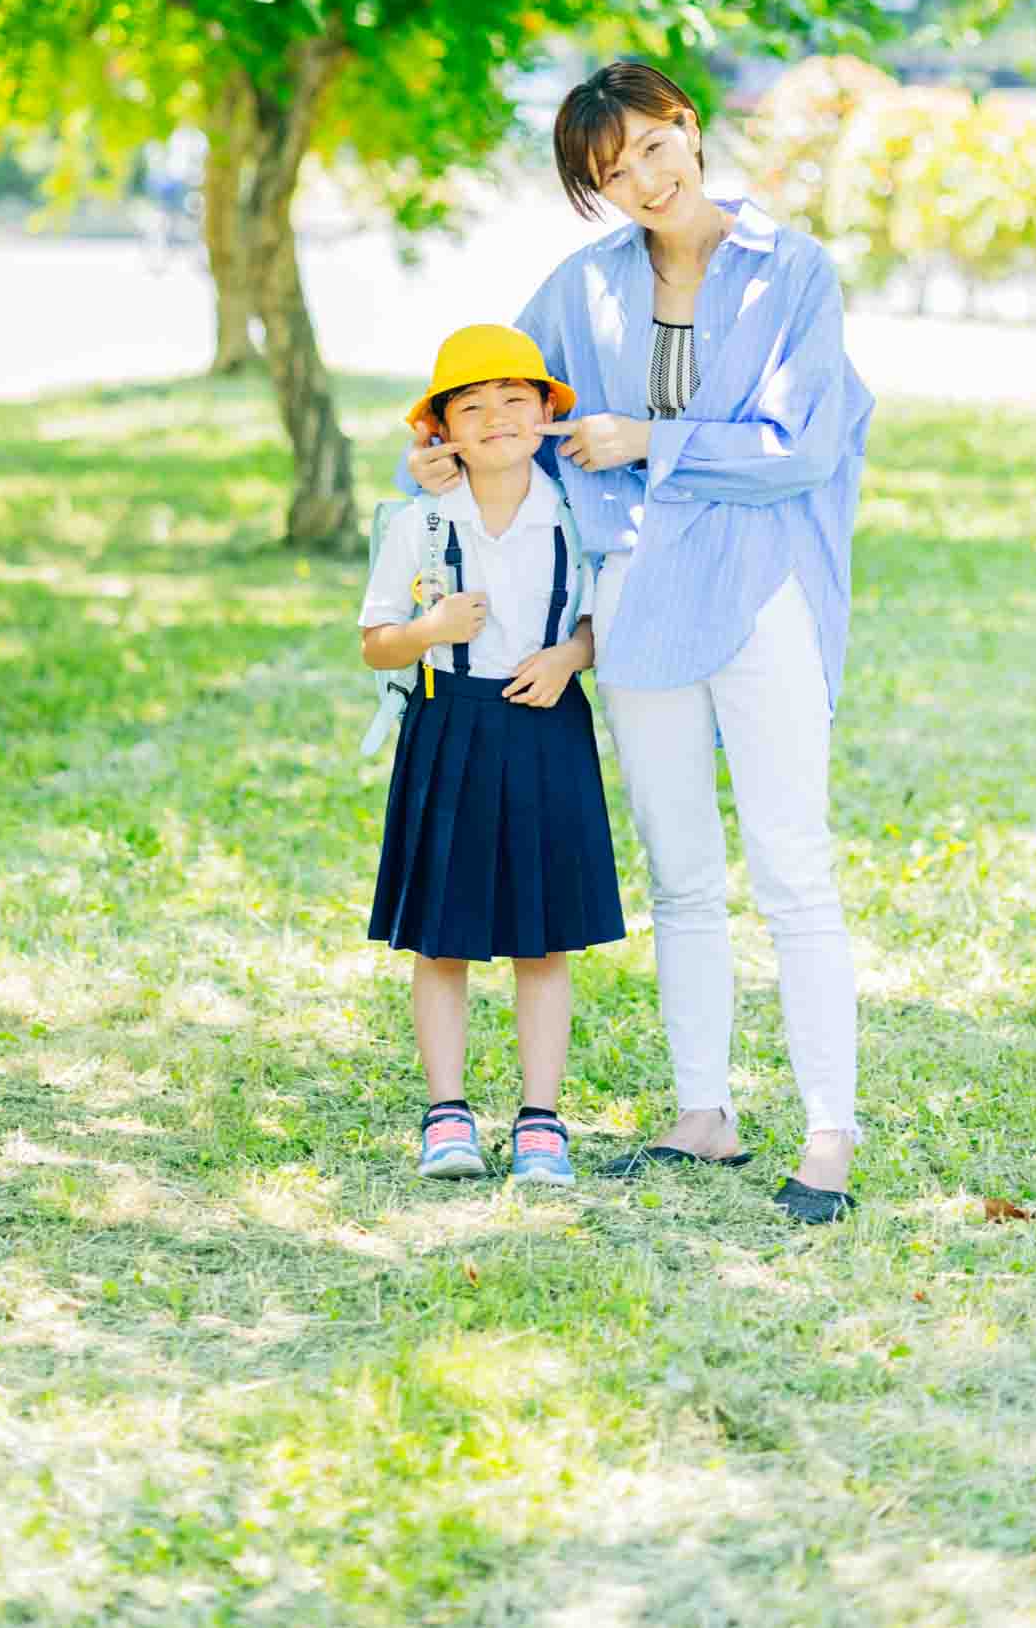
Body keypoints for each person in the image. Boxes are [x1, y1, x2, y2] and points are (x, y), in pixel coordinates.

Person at [408, 62, 873, 1224]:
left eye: (654, 150)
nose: (645, 182)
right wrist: (439, 458)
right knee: (678, 870)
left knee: (789, 862)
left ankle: (827, 1129)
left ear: (690, 128)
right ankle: (701, 1109)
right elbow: (499, 402)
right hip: (634, 604)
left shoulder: (790, 270)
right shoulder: (582, 287)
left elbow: (802, 445)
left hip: (762, 586)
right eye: (613, 176)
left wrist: (649, 441)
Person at [362, 323, 626, 1186]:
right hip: (449, 725)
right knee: (442, 938)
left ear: (548, 412)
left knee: (541, 940)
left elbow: (604, 617)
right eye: (470, 407)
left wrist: (570, 658)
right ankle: (446, 1114)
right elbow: (376, 644)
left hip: (546, 723)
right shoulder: (419, 521)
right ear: (439, 430)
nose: (496, 418)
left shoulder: (575, 513)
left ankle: (540, 1119)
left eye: (515, 400)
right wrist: (430, 630)